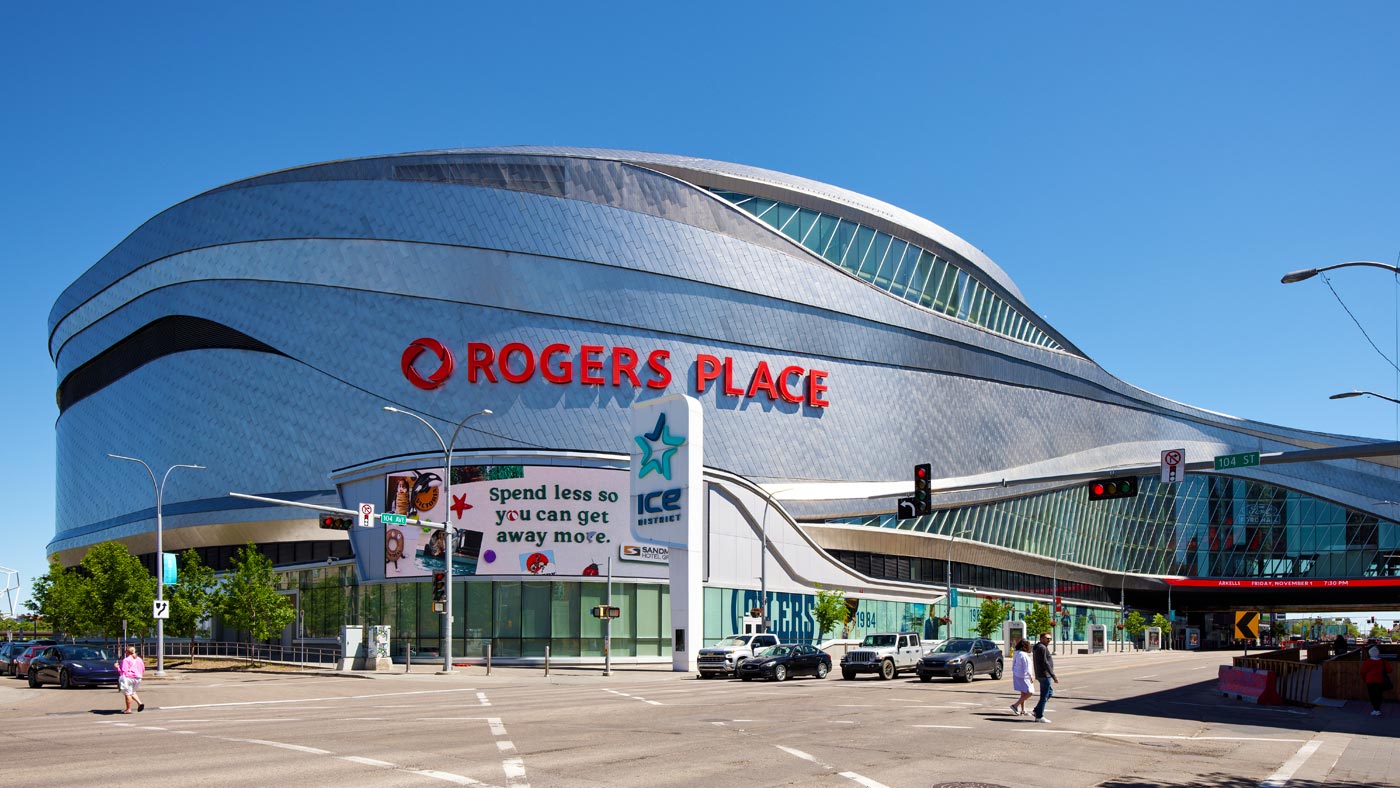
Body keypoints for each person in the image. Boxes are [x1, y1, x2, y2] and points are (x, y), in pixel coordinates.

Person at [1032, 631, 1058, 723]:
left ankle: (1036, 710)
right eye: (1047, 638)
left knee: (1050, 693)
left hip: (1041, 674)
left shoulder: (1038, 647)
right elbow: (1045, 662)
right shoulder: (1042, 648)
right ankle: (1039, 716)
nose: (1049, 640)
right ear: (1041, 638)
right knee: (1044, 696)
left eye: (1050, 639)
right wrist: (1053, 675)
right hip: (1045, 674)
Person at [1361, 646, 1390, 717]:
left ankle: (1375, 709)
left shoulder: (1367, 662)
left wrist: (1364, 679)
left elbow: (1363, 672)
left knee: (1372, 695)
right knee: (1379, 695)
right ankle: (1378, 709)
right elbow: (1390, 670)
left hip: (1370, 681)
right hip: (1380, 680)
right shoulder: (1383, 661)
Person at [116, 646, 145, 713]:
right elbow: (143, 669)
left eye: (125, 651)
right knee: (132, 692)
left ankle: (128, 709)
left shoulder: (126, 660)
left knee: (128, 693)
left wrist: (117, 667)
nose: (125, 652)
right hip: (138, 678)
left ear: (128, 652)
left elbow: (123, 671)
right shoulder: (139, 659)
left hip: (129, 678)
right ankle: (139, 703)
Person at [1009, 638, 1034, 715]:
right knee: (1030, 692)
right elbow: (1027, 667)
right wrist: (1030, 676)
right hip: (1024, 676)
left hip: (1017, 675)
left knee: (1023, 693)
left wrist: (1014, 671)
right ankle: (1015, 705)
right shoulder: (1024, 655)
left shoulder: (1016, 653)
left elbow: (1013, 664)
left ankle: (1023, 710)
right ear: (1025, 646)